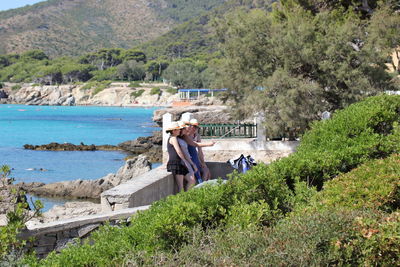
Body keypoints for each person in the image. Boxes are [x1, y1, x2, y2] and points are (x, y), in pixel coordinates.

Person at [166, 121, 196, 192]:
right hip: (175, 164)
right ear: (173, 131)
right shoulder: (173, 138)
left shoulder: (175, 138)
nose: (180, 130)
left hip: (180, 163)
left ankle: (187, 197)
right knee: (180, 186)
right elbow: (178, 151)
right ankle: (183, 200)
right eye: (178, 129)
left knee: (192, 180)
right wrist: (185, 161)